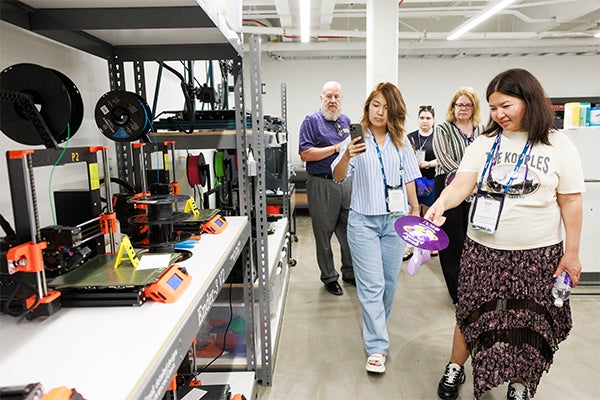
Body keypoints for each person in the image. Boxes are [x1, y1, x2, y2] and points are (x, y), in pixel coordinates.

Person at [426, 68, 584, 400]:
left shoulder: (558, 144)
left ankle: (520, 385)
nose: (499, 114)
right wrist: (441, 203)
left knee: (529, 321)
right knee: (471, 310)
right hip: (483, 249)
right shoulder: (485, 142)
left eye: (506, 106)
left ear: (528, 100)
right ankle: (455, 367)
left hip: (538, 253)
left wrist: (572, 253)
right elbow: (462, 183)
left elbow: (570, 201)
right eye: (494, 107)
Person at [332, 82, 421, 373]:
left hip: (394, 220)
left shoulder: (402, 141)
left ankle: (376, 329)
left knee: (389, 284)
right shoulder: (355, 141)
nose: (380, 112)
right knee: (372, 286)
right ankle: (377, 346)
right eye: (375, 105)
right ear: (368, 106)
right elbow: (337, 176)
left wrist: (415, 208)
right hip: (363, 222)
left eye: (386, 107)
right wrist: (347, 156)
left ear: (394, 111)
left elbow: (409, 176)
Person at [299, 81, 354, 296]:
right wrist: (335, 148)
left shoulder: (346, 121)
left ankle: (349, 272)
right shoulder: (311, 121)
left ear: (341, 99)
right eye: (329, 96)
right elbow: (305, 154)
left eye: (337, 97)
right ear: (321, 98)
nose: (333, 100)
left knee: (350, 233)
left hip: (346, 183)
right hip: (321, 183)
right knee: (323, 235)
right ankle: (330, 277)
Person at [432, 87, 484, 304]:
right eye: (459, 104)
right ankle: (457, 293)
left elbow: (487, 158)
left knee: (474, 240)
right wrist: (468, 180)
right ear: (453, 107)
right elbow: (444, 160)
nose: (463, 109)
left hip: (477, 193)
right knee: (453, 242)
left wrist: (476, 182)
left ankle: (474, 288)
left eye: (467, 105)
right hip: (449, 188)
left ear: (474, 108)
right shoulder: (443, 129)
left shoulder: (482, 131)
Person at [406, 105, 439, 259]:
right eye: (422, 118)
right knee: (413, 211)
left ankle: (428, 244)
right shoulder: (410, 137)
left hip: (431, 179)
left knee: (428, 213)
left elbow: (442, 159)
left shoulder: (438, 137)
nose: (425, 121)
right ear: (418, 119)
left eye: (428, 118)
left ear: (433, 120)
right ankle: (409, 246)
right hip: (414, 180)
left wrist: (427, 164)